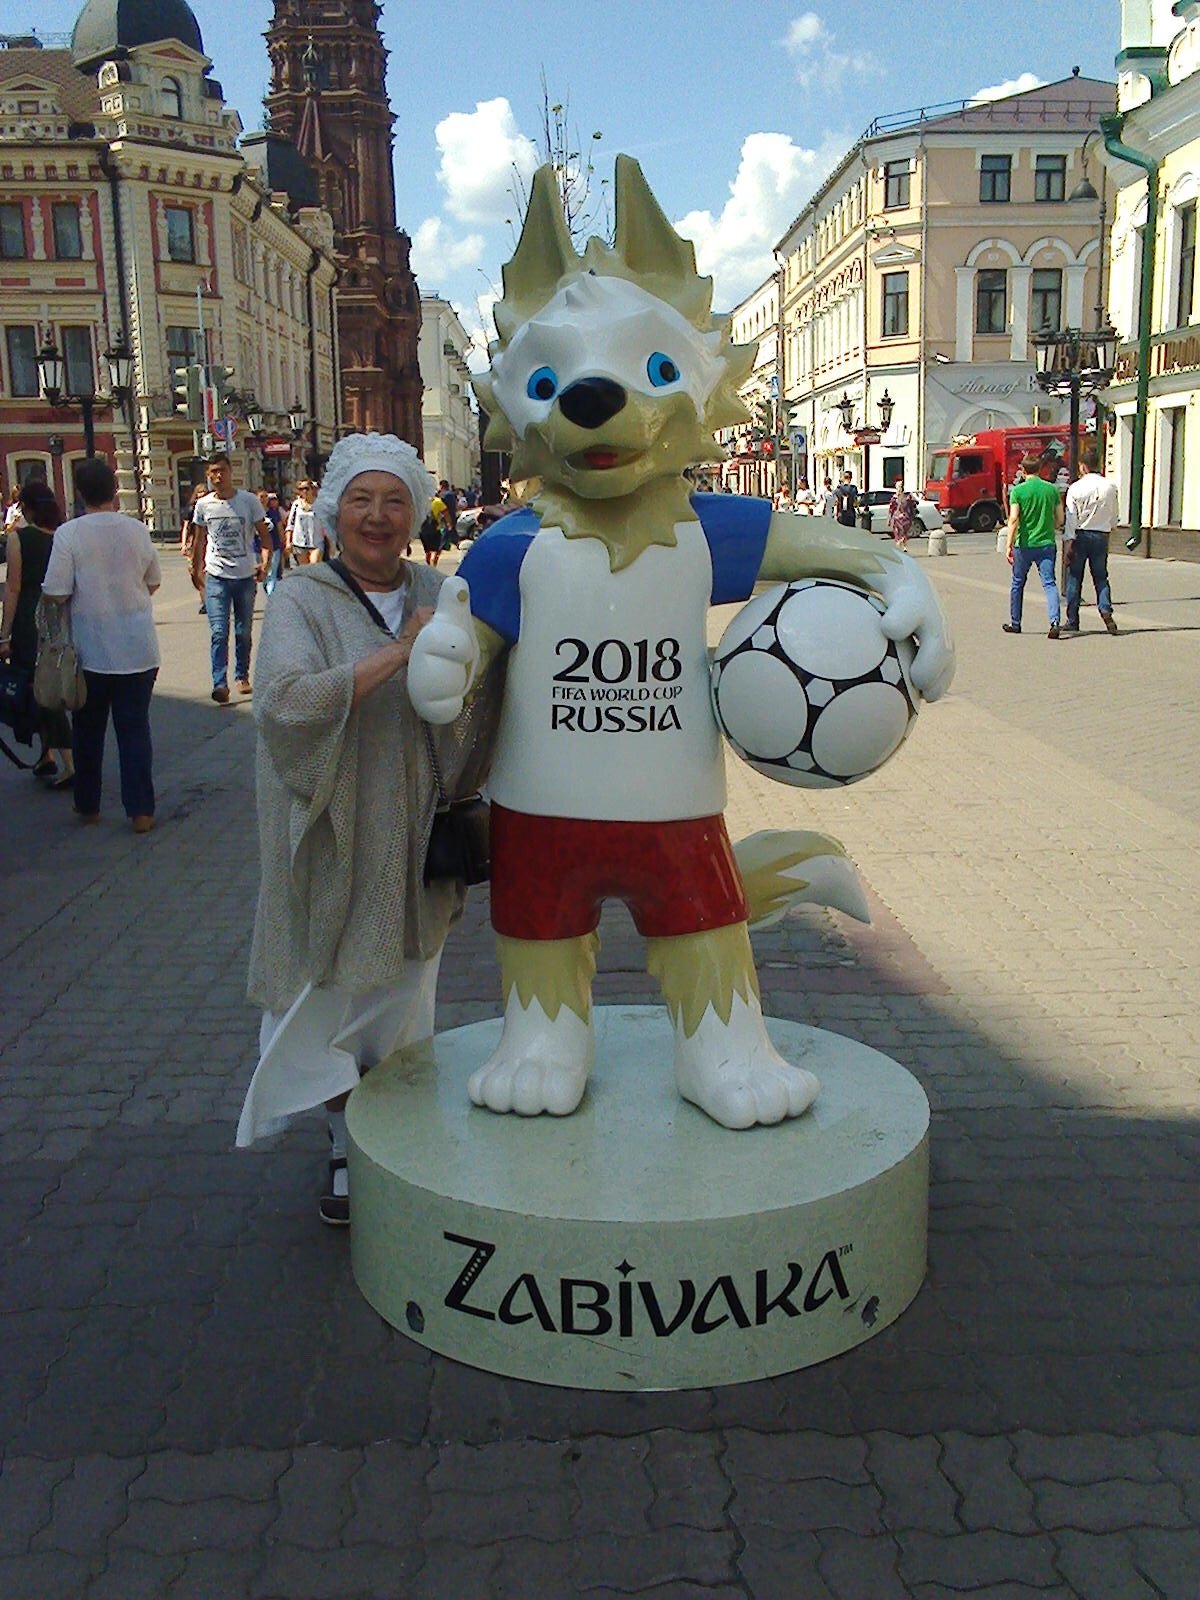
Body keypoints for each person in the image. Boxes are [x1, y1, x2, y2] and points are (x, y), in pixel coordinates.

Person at [236, 432, 500, 1225]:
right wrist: (398, 655)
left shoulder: (437, 588)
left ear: (417, 512)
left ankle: (395, 1142)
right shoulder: (303, 600)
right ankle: (344, 1146)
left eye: (395, 502)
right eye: (362, 501)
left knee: (403, 995)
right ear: (332, 514)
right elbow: (283, 702)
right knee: (323, 992)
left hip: (417, 835)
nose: (378, 517)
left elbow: (478, 698)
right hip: (335, 831)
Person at [40, 457, 161, 831]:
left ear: (79, 494)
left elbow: (56, 591)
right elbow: (153, 581)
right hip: (138, 647)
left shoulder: (69, 534)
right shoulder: (137, 530)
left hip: (90, 653)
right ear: (114, 491)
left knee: (88, 731)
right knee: (134, 730)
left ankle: (88, 805)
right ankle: (141, 811)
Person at [0, 480, 75, 787]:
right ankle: (47, 756)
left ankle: (69, 763)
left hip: (30, 622)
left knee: (43, 692)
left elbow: (14, 588)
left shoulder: (19, 540)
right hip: (61, 617)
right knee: (45, 688)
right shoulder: (65, 537)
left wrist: (4, 635)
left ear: (26, 509)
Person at [189, 454, 271, 704]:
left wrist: (265, 564)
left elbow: (265, 537)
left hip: (245, 575)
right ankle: (220, 683)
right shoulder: (203, 505)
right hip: (216, 576)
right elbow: (199, 539)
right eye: (213, 472)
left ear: (231, 471)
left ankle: (241, 675)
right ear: (208, 474)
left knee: (243, 631)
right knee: (218, 631)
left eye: (222, 471)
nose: (218, 476)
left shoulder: (248, 501)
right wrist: (195, 569)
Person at [1004, 453, 1063, 638]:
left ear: (1023, 469)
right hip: (1046, 543)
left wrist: (1008, 545)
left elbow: (1013, 519)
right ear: (1040, 469)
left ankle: (1016, 622)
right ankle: (1054, 621)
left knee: (1018, 583)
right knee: (1049, 583)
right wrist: (1049, 526)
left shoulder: (1018, 491)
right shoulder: (1051, 490)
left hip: (1024, 544)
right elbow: (1060, 519)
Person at [1062, 449, 1119, 635]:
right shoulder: (1110, 487)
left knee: (1074, 577)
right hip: (1101, 535)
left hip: (1080, 536)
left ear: (1083, 466)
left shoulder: (1075, 488)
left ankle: (1072, 620)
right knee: (1101, 577)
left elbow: (1071, 519)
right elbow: (1114, 514)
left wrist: (1068, 542)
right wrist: (1109, 527)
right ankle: (1105, 609)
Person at [284, 479, 321, 565]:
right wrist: (288, 542)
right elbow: (290, 524)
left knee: (314, 566)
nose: (304, 491)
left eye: (306, 488)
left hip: (316, 542)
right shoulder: (296, 504)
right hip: (299, 542)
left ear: (312, 489)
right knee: (304, 570)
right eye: (301, 489)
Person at [259, 490, 284, 597]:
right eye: (261, 496)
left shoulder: (274, 512)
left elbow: (279, 528)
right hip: (257, 548)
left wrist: (283, 542)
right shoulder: (252, 513)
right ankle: (269, 590)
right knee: (262, 575)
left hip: (274, 547)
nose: (264, 499)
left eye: (266, 496)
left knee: (271, 573)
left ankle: (272, 596)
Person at [887, 478, 919, 551]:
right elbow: (891, 509)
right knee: (898, 532)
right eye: (898, 487)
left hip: (906, 517)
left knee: (904, 532)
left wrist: (912, 501)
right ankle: (900, 545)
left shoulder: (907, 496)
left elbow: (916, 502)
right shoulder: (894, 498)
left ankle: (903, 544)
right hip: (897, 518)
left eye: (900, 487)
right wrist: (889, 519)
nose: (899, 489)